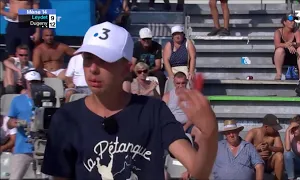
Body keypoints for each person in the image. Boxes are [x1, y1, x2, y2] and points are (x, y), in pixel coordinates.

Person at [41, 22, 218, 180]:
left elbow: (199, 171)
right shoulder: (66, 118)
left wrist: (209, 133)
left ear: (127, 68)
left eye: (104, 60)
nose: (93, 69)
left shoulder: (154, 112)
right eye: (88, 59)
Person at [6, 70, 43, 180]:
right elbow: (9, 123)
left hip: (42, 148)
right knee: (15, 177)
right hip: (22, 147)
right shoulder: (17, 100)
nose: (33, 84)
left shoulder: (46, 99)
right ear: (25, 82)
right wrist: (15, 123)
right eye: (30, 82)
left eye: (36, 82)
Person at [126, 27, 166, 96]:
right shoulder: (136, 46)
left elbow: (158, 65)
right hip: (139, 70)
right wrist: (139, 72)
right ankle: (128, 95)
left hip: (151, 70)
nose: (146, 41)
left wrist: (147, 71)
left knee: (161, 76)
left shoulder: (157, 46)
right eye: (144, 39)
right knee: (128, 75)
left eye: (148, 39)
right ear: (140, 39)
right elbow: (133, 64)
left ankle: (162, 96)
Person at [245, 114, 284, 180]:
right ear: (266, 127)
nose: (276, 130)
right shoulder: (253, 132)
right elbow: (243, 150)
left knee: (279, 156)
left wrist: (269, 147)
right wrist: (256, 150)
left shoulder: (275, 134)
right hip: (254, 163)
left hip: (268, 163)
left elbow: (281, 149)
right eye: (274, 128)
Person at [273, 14, 300, 80]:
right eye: (290, 21)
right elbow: (277, 44)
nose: (293, 22)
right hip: (281, 57)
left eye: (294, 21)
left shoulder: (296, 31)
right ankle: (278, 74)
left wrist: (292, 44)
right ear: (284, 22)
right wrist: (287, 45)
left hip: (294, 55)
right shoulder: (278, 32)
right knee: (279, 50)